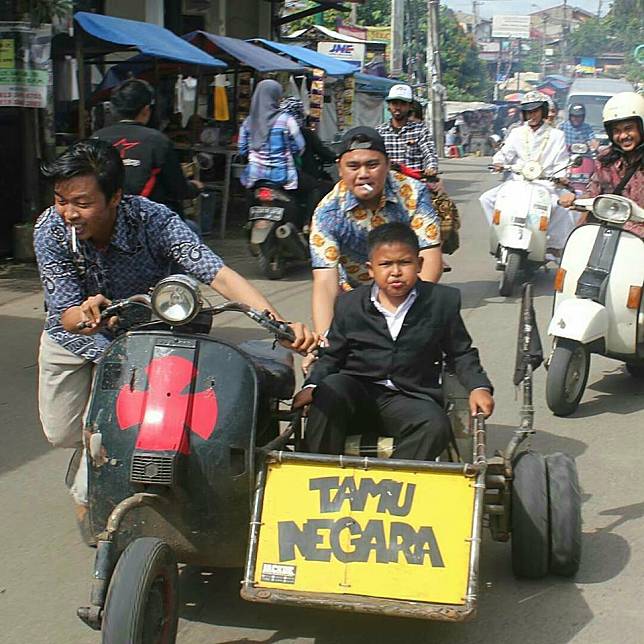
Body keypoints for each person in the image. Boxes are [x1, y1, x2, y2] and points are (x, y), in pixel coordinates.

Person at [34, 139, 317, 518]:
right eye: (61, 200)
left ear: (115, 196)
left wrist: (278, 325)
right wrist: (84, 314)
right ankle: (86, 456)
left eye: (82, 203)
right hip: (70, 338)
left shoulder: (155, 220)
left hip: (140, 341)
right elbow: (65, 311)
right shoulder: (49, 229)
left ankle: (95, 490)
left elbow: (219, 274)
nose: (69, 212)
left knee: (107, 427)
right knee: (61, 433)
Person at [292, 222, 494, 460]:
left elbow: (460, 353)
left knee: (436, 426)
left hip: (409, 398)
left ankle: (391, 483)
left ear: (419, 264)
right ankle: (319, 471)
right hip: (357, 392)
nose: (395, 272)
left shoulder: (442, 301)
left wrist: (478, 387)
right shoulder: (349, 304)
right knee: (329, 391)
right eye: (386, 264)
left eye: (404, 263)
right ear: (371, 269)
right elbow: (332, 355)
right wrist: (312, 386)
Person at [308, 127, 443, 355]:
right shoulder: (327, 213)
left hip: (407, 288)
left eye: (372, 165)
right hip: (352, 294)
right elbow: (324, 282)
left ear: (388, 164)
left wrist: (405, 313)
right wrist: (323, 343)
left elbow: (431, 259)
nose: (363, 174)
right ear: (340, 168)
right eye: (353, 166)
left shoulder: (413, 192)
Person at [479, 91, 575, 258]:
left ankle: (552, 245)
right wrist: (498, 163)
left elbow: (562, 161)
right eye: (528, 112)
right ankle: (501, 234)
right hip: (517, 182)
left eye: (536, 111)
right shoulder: (516, 132)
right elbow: (504, 153)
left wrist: (562, 175)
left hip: (545, 184)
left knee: (562, 209)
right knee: (486, 198)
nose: (532, 115)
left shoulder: (556, 135)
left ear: (543, 111)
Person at [93, 79, 202, 218]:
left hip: (101, 219)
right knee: (192, 229)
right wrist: (195, 187)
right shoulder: (158, 141)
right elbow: (178, 190)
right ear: (145, 110)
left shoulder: (95, 138)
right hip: (144, 221)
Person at [559, 92, 644, 239]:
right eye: (616, 131)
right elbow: (594, 193)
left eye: (629, 128)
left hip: (638, 238)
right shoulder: (605, 160)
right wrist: (575, 199)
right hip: (604, 231)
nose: (623, 136)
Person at [237, 79, 304, 192]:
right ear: (276, 97)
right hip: (282, 177)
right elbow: (300, 147)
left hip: (254, 176)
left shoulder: (248, 122)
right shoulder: (287, 120)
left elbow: (242, 150)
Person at [280, 97, 336, 224]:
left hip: (272, 176)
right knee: (318, 187)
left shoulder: (274, 129)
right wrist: (336, 157)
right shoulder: (304, 133)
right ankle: (308, 222)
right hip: (296, 176)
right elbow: (323, 152)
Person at [376, 84, 438, 176]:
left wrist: (431, 167)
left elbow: (429, 152)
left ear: (410, 106)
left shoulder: (420, 130)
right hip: (388, 183)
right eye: (394, 103)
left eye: (403, 104)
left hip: (414, 184)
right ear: (389, 106)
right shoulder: (379, 132)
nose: (398, 107)